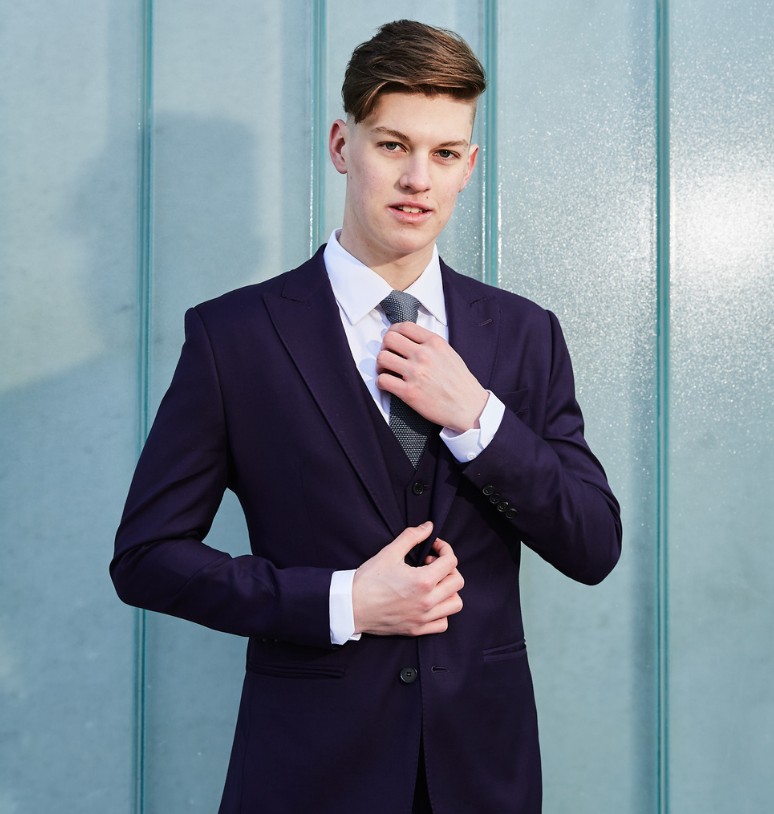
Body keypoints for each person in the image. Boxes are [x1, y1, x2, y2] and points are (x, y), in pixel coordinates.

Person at [111, 19, 621, 814]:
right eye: (393, 146)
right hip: (305, 775)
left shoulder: (524, 335)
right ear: (343, 145)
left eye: (445, 154)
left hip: (485, 779)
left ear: (468, 166)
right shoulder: (234, 337)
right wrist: (343, 600)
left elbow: (593, 544)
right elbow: (145, 556)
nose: (419, 178)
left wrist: (477, 416)